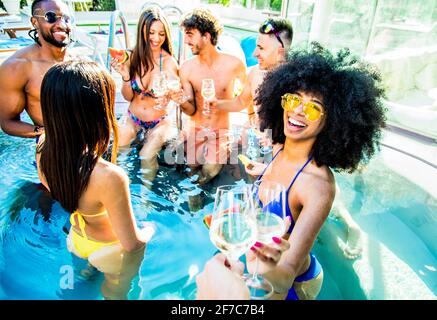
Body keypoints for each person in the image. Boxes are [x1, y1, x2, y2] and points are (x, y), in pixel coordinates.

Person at [241, 43, 386, 300]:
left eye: (312, 107)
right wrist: (263, 171)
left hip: (293, 281)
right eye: (294, 98)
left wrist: (255, 263)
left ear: (333, 120)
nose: (297, 110)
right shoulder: (279, 146)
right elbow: (281, 177)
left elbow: (285, 274)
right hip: (263, 263)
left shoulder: (318, 187)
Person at [36, 61, 154, 299]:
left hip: (77, 240)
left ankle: (87, 273)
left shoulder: (42, 149)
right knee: (116, 294)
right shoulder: (108, 176)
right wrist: (149, 231)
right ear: (98, 112)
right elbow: (132, 244)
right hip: (109, 251)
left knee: (79, 287)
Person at [171, 8, 247, 184]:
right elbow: (190, 110)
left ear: (206, 36)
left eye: (190, 35)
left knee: (209, 170)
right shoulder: (187, 68)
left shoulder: (234, 64)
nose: (187, 41)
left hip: (221, 133)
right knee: (191, 172)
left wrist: (250, 121)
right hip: (195, 131)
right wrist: (180, 100)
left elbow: (247, 97)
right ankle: (194, 207)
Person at [111, 7, 179, 184]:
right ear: (143, 31)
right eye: (152, 32)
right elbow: (128, 97)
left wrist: (170, 91)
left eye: (161, 34)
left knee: (146, 154)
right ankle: (118, 186)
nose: (156, 38)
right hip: (133, 118)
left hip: (160, 122)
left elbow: (176, 91)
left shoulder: (169, 62)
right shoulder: (132, 57)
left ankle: (144, 198)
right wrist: (125, 76)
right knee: (119, 144)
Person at [0, 0, 74, 139]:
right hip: (56, 151)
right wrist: (47, 134)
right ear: (35, 22)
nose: (61, 24)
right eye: (51, 17)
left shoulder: (80, 62)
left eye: (66, 19)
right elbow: (7, 122)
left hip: (93, 143)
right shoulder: (16, 67)